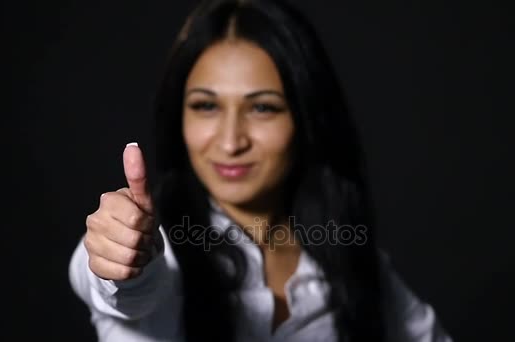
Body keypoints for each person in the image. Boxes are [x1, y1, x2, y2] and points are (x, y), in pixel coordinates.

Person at [69, 0, 454, 341]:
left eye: (262, 107)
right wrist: (126, 260)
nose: (231, 141)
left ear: (306, 118)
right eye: (206, 106)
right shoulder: (154, 242)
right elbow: (127, 289)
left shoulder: (351, 261)